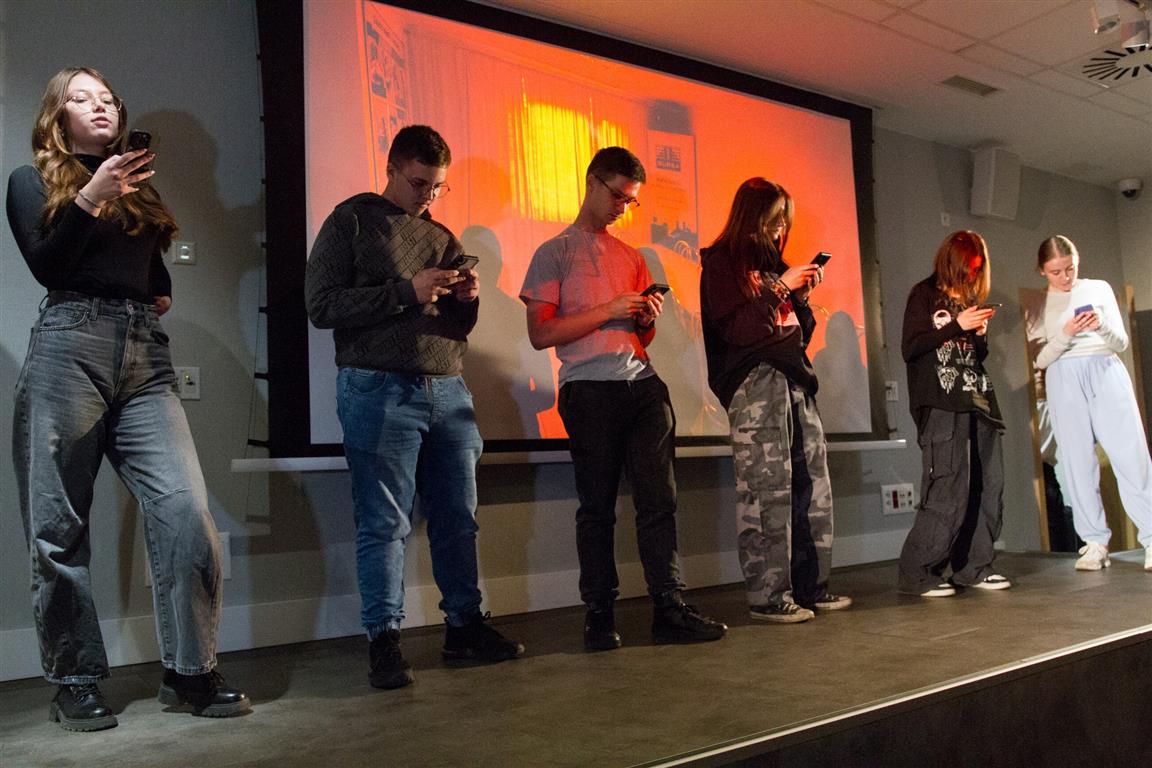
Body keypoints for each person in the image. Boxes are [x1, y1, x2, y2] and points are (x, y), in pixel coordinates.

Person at [6, 67, 248, 732]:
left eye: (107, 98)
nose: (100, 106)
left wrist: (152, 286)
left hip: (142, 352)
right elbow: (49, 267)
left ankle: (190, 672)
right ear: (58, 117)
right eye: (81, 98)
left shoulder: (137, 188)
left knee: (186, 513)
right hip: (68, 346)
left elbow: (152, 274)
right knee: (58, 528)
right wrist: (91, 196)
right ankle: (75, 680)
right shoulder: (32, 181)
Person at [306, 124, 523, 690]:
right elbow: (321, 306)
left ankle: (464, 627)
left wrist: (466, 301)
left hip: (448, 388)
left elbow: (452, 328)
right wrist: (407, 291)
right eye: (419, 183)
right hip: (378, 387)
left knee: (458, 518)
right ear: (391, 169)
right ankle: (384, 641)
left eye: (438, 187)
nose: (428, 196)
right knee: (384, 523)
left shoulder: (442, 236)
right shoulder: (350, 221)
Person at [520, 146, 727, 650]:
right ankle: (598, 613)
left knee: (660, 502)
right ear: (593, 182)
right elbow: (541, 334)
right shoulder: (553, 252)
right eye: (618, 196)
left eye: (631, 201)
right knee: (597, 507)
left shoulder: (632, 256)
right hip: (588, 390)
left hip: (643, 386)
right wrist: (609, 309)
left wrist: (644, 318)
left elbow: (641, 337)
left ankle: (669, 607)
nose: (623, 208)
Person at [699, 178, 851, 624]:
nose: (780, 230)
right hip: (755, 384)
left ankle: (811, 586)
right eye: (773, 221)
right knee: (767, 492)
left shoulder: (774, 266)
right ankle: (769, 595)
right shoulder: (722, 263)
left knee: (811, 489)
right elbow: (739, 331)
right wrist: (780, 289)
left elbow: (799, 331)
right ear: (752, 218)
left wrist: (799, 298)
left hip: (795, 381)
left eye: (784, 222)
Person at [1023, 235, 1151, 571]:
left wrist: (1101, 325)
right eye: (1056, 272)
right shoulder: (1039, 303)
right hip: (1063, 376)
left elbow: (1120, 342)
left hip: (1104, 367)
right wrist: (1065, 332)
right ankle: (1095, 543)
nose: (1065, 277)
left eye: (1070, 268)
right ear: (1042, 270)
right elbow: (1041, 359)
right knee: (1077, 461)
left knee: (1131, 455)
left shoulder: (1098, 288)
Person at [897, 231, 1011, 597]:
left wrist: (979, 333)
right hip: (941, 404)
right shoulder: (923, 294)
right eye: (966, 268)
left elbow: (976, 356)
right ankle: (918, 572)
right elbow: (912, 347)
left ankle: (973, 567)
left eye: (976, 270)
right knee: (947, 487)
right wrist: (956, 326)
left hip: (978, 401)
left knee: (988, 485)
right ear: (950, 261)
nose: (971, 275)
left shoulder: (969, 299)